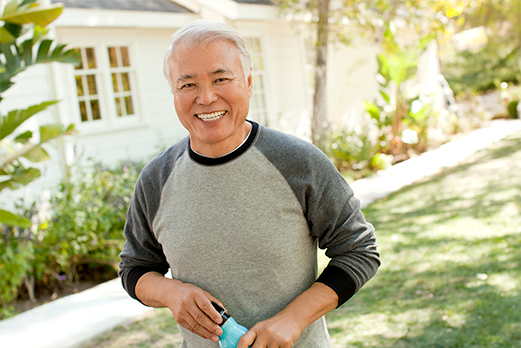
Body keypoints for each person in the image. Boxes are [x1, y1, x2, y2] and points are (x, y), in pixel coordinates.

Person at [119, 19, 380, 348]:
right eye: (188, 85)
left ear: (248, 83)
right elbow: (135, 267)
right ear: (173, 92)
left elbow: (358, 251)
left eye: (221, 79)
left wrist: (294, 318)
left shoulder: (299, 162)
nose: (206, 97)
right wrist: (171, 293)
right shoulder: (156, 179)